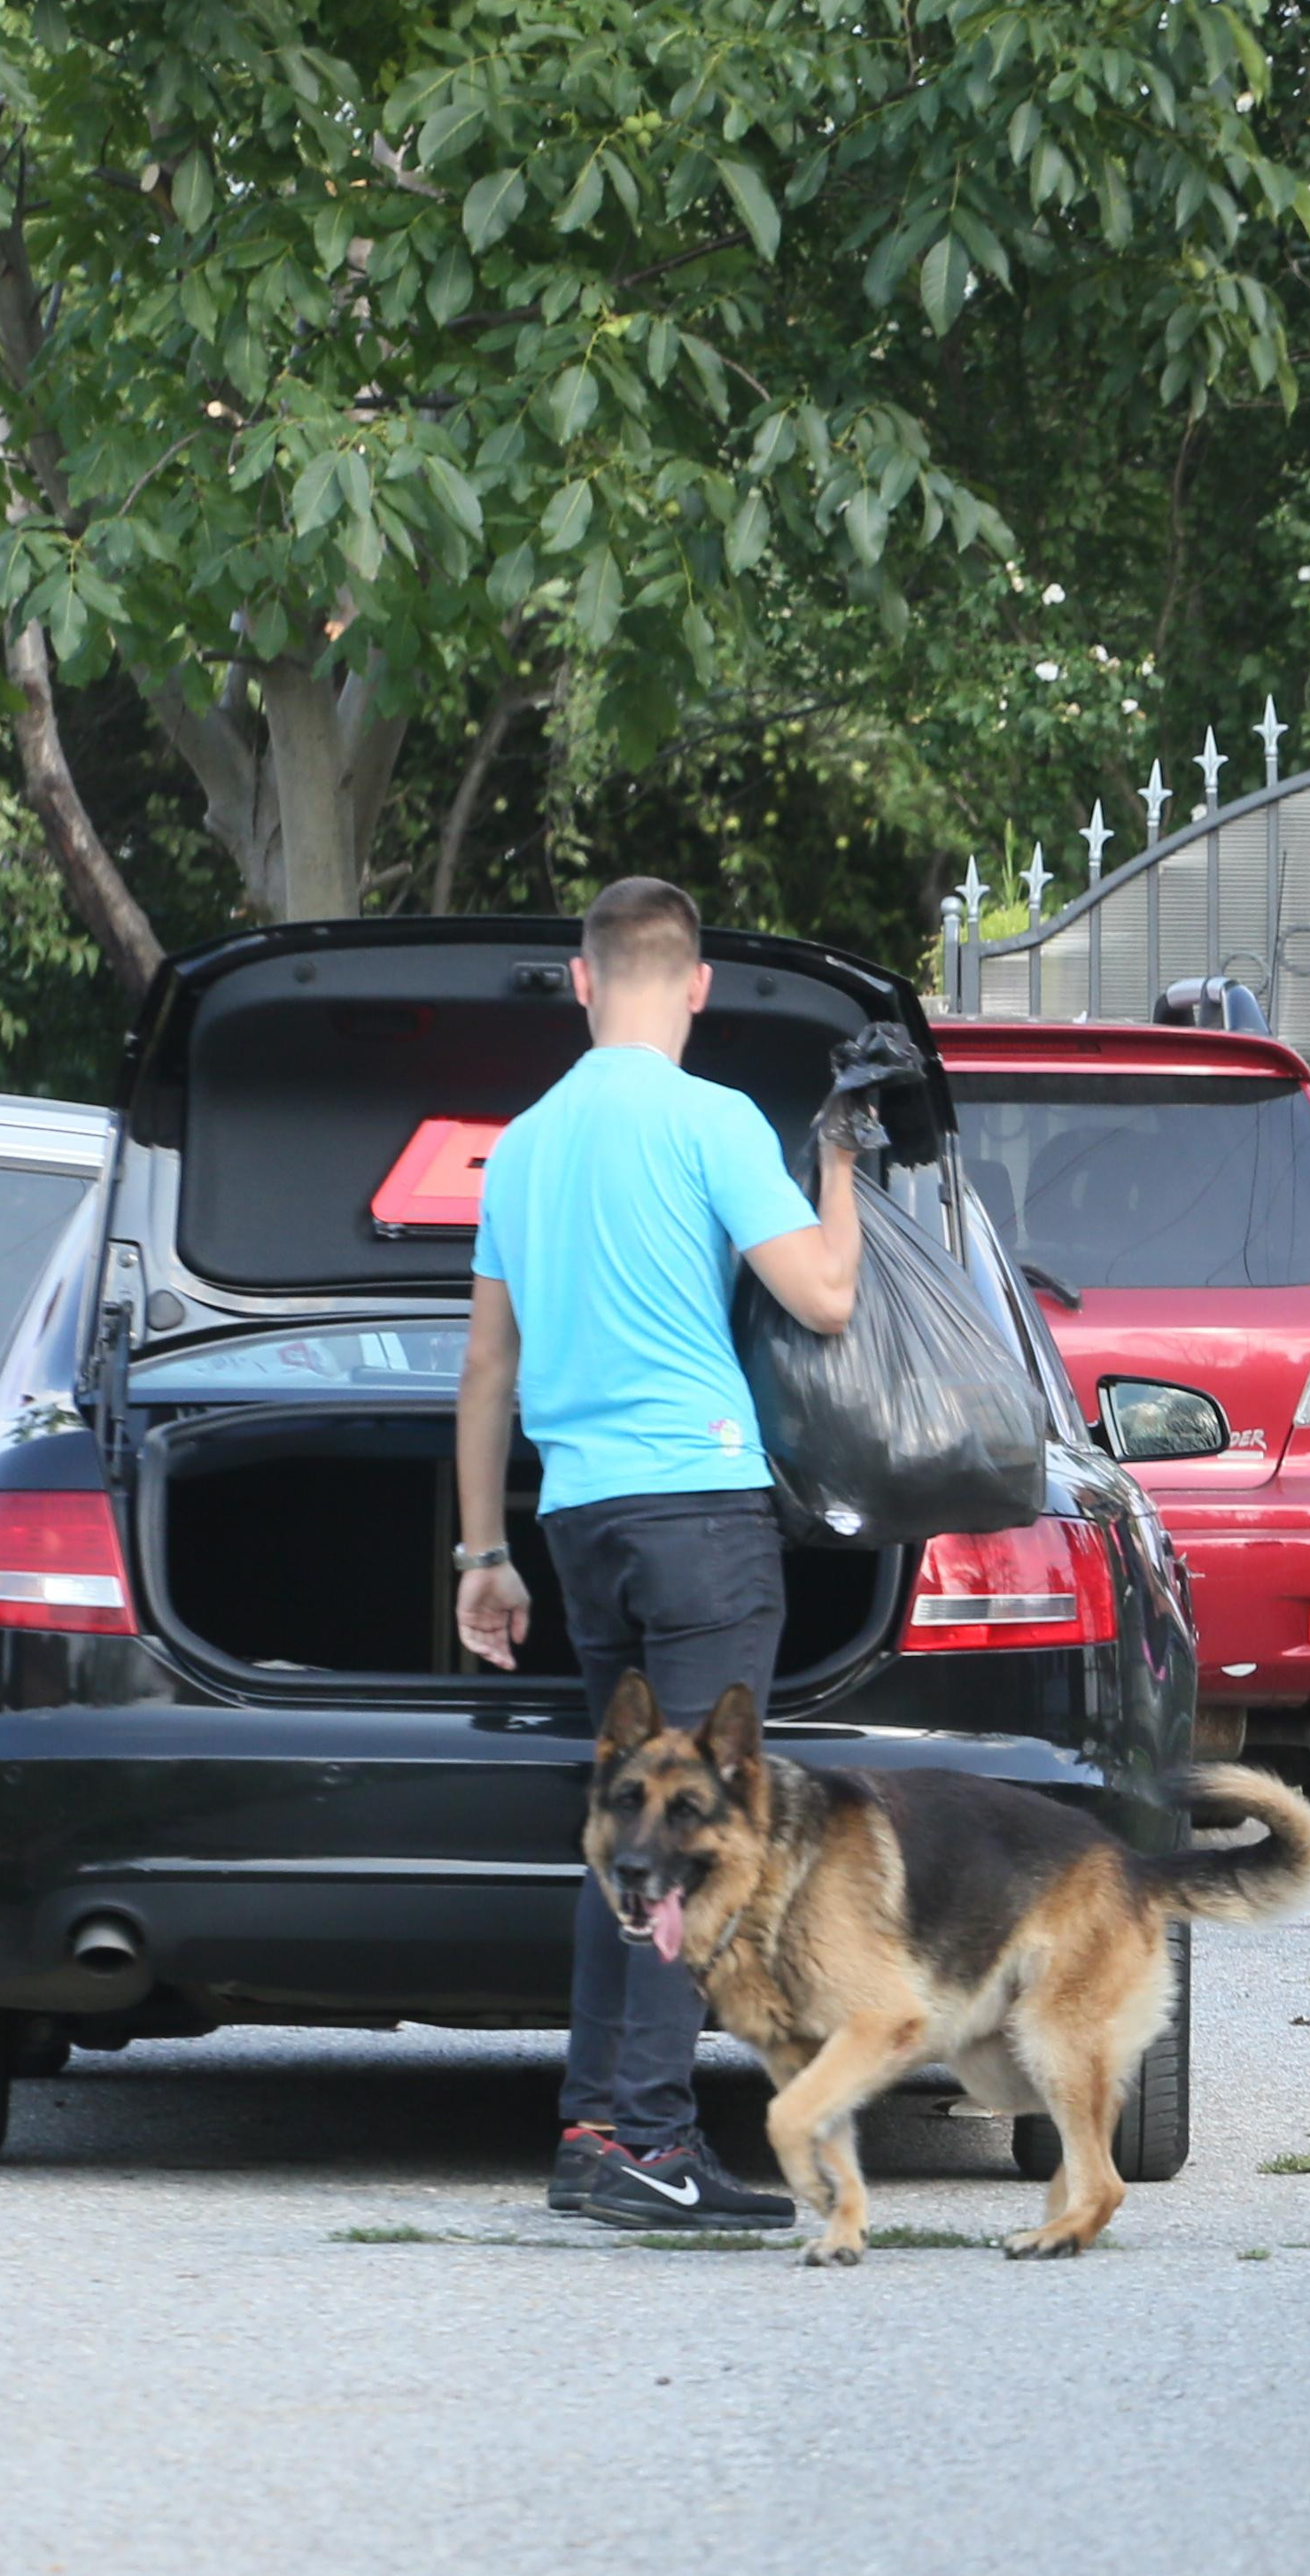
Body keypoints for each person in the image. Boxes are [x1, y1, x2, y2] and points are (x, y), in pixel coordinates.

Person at [453, 877, 869, 2232]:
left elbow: (486, 1368)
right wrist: (846, 1169)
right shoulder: (715, 1121)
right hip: (699, 1507)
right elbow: (826, 1291)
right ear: (696, 986)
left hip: (581, 1520)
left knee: (629, 1830)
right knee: (688, 1839)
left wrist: (482, 1551)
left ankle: (594, 2130)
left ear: (582, 983)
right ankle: (648, 2135)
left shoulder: (518, 1145)